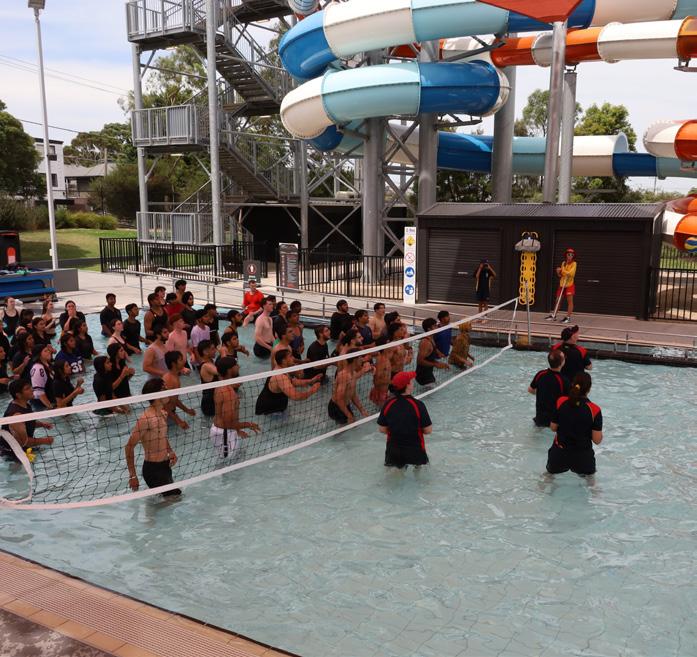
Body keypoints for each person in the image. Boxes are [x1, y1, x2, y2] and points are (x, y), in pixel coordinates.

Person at [125, 377, 181, 497]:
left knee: (170, 500)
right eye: (164, 388)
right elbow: (129, 447)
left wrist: (170, 451)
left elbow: (162, 436)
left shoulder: (163, 413)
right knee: (174, 498)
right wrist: (133, 476)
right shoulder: (146, 419)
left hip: (165, 466)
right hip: (153, 469)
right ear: (156, 394)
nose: (168, 391)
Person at [546, 372, 603, 477]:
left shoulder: (561, 401)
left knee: (548, 477)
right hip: (582, 457)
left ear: (573, 384)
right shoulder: (594, 409)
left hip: (559, 453)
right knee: (591, 482)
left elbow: (553, 428)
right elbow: (597, 440)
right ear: (589, 389)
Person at [378, 371, 432, 469]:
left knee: (397, 473)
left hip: (393, 452)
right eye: (411, 381)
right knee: (419, 473)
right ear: (408, 385)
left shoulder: (388, 404)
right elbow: (428, 430)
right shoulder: (418, 405)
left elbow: (382, 429)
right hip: (415, 451)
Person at [210, 356, 260, 458]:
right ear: (229, 370)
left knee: (233, 458)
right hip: (224, 432)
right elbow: (228, 422)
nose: (238, 366)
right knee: (228, 462)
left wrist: (237, 431)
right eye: (236, 365)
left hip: (225, 431)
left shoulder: (222, 386)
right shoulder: (227, 392)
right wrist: (249, 424)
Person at [255, 349, 321, 415]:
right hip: (269, 411)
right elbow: (295, 396)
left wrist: (311, 381)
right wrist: (312, 390)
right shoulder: (280, 376)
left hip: (275, 407)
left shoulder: (282, 369)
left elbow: (293, 382)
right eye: (291, 356)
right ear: (284, 361)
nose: (293, 358)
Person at [2, 380, 54, 461]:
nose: (32, 389)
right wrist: (45, 440)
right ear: (19, 395)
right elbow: (24, 442)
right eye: (27, 389)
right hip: (12, 453)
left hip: (23, 448)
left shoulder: (25, 404)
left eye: (30, 387)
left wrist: (42, 424)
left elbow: (28, 422)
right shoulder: (16, 415)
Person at [328, 349, 371, 424]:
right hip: (336, 407)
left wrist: (362, 410)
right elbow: (339, 399)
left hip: (345, 405)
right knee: (347, 426)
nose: (362, 359)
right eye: (360, 357)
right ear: (355, 360)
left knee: (352, 424)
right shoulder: (344, 376)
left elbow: (353, 394)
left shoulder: (353, 373)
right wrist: (349, 415)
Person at [528, 350, 569, 428]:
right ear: (562, 363)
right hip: (554, 421)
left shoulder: (540, 374)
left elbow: (530, 390)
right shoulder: (564, 380)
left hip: (539, 418)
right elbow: (567, 402)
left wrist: (542, 393)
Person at [162, 350, 196, 429]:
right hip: (166, 415)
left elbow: (174, 400)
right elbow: (166, 404)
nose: (183, 361)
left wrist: (187, 410)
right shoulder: (171, 380)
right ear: (173, 364)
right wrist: (178, 421)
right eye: (180, 360)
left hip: (169, 413)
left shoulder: (173, 376)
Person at [415, 318, 449, 386]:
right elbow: (419, 361)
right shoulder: (425, 343)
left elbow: (429, 357)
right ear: (429, 329)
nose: (437, 327)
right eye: (435, 326)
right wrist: (436, 364)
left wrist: (439, 360)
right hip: (423, 376)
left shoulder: (431, 338)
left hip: (428, 373)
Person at [547, 248, 577, 323]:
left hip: (569, 284)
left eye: (572, 255)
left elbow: (571, 274)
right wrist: (558, 272)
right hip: (562, 284)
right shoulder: (563, 263)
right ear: (566, 255)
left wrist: (562, 270)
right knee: (558, 300)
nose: (570, 256)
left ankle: (568, 317)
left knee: (570, 301)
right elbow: (561, 275)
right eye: (568, 254)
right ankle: (554, 315)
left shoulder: (574, 264)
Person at [29, 344, 55, 411]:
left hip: (50, 400)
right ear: (39, 355)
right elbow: (39, 393)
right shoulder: (38, 368)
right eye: (45, 351)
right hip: (42, 404)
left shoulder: (48, 364)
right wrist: (51, 408)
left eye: (48, 350)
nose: (49, 352)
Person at [197, 340, 219, 417]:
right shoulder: (206, 366)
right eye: (213, 349)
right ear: (205, 352)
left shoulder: (211, 361)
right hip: (210, 404)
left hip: (214, 399)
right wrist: (223, 354)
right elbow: (222, 371)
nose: (215, 350)